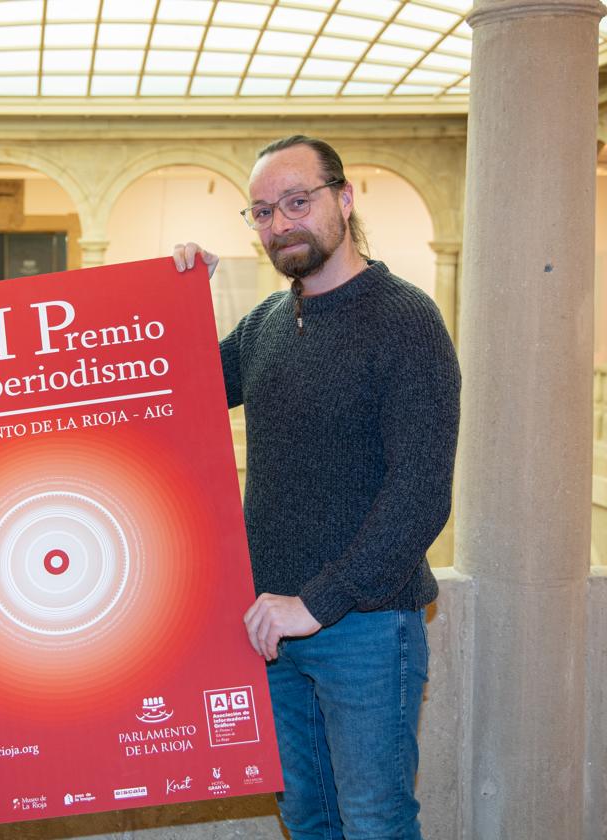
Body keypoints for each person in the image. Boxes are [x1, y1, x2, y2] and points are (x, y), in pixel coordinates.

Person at [173, 136, 459, 839]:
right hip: (270, 631)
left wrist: (316, 603)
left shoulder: (406, 320)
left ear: (344, 197)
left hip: (363, 627)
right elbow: (180, 391)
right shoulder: (269, 321)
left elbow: (421, 494)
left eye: (297, 202)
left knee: (374, 821)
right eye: (262, 212)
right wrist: (174, 300)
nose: (279, 224)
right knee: (307, 818)